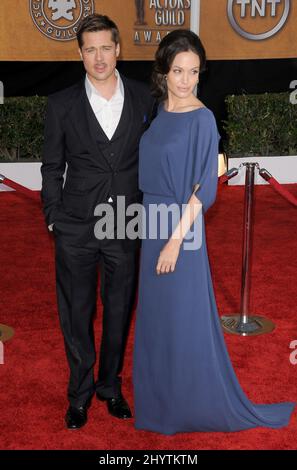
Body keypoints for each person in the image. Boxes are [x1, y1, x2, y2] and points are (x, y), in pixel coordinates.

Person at [133, 29, 295, 434]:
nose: (185, 80)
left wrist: (173, 242)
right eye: (178, 71)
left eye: (193, 72)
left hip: (179, 233)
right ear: (163, 72)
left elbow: (202, 190)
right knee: (158, 320)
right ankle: (160, 402)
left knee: (181, 319)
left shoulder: (203, 119)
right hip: (151, 224)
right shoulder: (158, 112)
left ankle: (186, 404)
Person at [41, 14, 154, 430]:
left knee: (119, 310)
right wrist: (54, 217)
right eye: (90, 49)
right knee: (77, 312)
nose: (99, 57)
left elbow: (157, 159)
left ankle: (110, 386)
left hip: (125, 222)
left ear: (119, 49)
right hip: (75, 226)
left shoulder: (145, 98)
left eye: (106, 47)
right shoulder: (62, 104)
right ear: (80, 54)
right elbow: (51, 166)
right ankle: (80, 392)